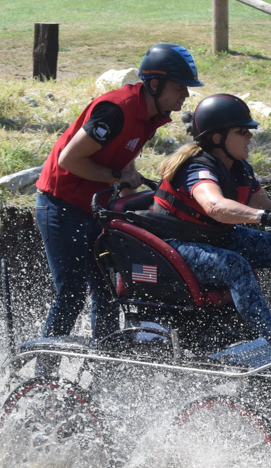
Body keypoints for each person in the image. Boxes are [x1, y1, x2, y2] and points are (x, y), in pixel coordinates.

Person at [34, 43, 203, 358]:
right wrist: (117, 178)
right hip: (60, 206)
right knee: (71, 294)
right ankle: (43, 372)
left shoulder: (151, 115)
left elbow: (123, 157)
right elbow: (69, 159)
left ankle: (103, 367)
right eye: (180, 87)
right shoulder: (116, 110)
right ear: (155, 84)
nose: (186, 94)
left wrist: (132, 191)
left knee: (109, 294)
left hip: (94, 210)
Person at [151, 94, 271, 366]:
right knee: (234, 265)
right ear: (217, 138)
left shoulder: (239, 168)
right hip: (175, 246)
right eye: (242, 131)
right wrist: (265, 218)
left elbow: (264, 205)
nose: (250, 136)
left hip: (214, 237)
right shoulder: (196, 168)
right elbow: (215, 206)